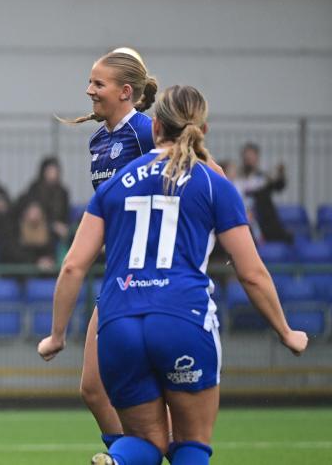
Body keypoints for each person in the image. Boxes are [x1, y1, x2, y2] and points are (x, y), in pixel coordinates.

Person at [38, 85, 309, 465]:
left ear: (157, 125)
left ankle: (120, 462)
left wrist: (56, 336)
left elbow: (72, 265)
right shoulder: (216, 185)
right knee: (191, 443)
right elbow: (252, 273)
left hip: (119, 323)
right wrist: (286, 332)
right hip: (182, 318)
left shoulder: (116, 183)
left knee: (146, 441)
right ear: (203, 131)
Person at [63, 48, 159, 448]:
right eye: (89, 82)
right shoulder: (99, 141)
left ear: (124, 91)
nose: (89, 91)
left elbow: (209, 174)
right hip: (119, 275)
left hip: (154, 277)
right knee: (93, 389)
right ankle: (130, 456)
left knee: (156, 409)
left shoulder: (146, 131)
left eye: (97, 84)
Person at [233, 142, 293, 244]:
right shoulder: (236, 177)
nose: (249, 161)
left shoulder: (263, 178)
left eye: (252, 157)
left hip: (264, 220)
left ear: (257, 159)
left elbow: (278, 185)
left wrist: (281, 175)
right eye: (247, 158)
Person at [21, 156, 71, 242]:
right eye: (50, 171)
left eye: (55, 171)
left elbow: (65, 214)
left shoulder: (62, 192)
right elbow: (33, 213)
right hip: (39, 227)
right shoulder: (35, 189)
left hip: (59, 229)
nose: (53, 174)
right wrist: (52, 225)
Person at [3, 199, 57, 270]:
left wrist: (48, 260)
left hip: (44, 271)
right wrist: (35, 262)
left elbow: (50, 252)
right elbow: (13, 253)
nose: (35, 216)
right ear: (25, 214)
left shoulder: (47, 232)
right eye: (32, 212)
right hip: (21, 271)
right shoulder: (15, 231)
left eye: (37, 213)